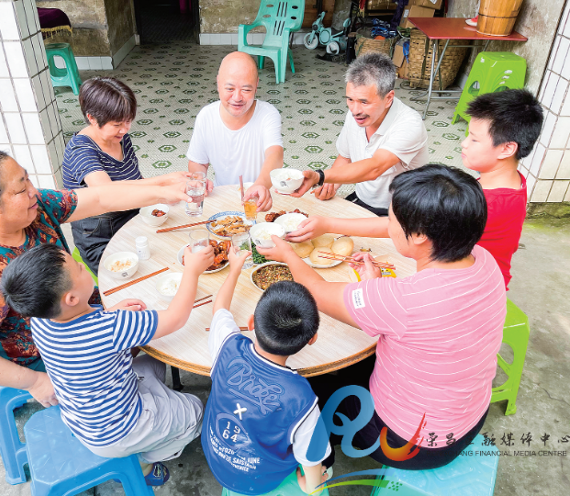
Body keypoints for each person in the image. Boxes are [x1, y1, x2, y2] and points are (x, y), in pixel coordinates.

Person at [259, 165, 506, 470]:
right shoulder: (484, 259)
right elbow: (411, 310)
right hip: (468, 419)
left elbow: (317, 292)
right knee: (358, 360)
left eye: (391, 220)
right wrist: (369, 283)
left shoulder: (402, 298)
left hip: (406, 443)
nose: (387, 225)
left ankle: (318, 465)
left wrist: (288, 256)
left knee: (308, 388)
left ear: (418, 235)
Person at [0, 148, 191, 408]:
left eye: (27, 179)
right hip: (55, 354)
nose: (33, 192)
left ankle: (139, 377)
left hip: (80, 314)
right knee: (169, 323)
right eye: (20, 190)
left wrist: (162, 186)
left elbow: (101, 198)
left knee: (154, 303)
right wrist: (34, 381)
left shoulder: (33, 209)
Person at [0, 243, 213, 486]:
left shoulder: (41, 320)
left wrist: (111, 314)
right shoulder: (109, 328)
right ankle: (145, 459)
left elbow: (90, 334)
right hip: (122, 431)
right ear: (71, 298)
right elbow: (176, 318)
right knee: (196, 410)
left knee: (154, 362)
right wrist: (192, 271)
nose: (82, 267)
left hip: (85, 417)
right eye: (79, 268)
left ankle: (155, 420)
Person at [288, 89, 543, 290]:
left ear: (507, 148)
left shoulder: (488, 203)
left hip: (464, 288)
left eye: (475, 139)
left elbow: (397, 226)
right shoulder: (510, 181)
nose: (464, 143)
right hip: (479, 275)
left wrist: (328, 224)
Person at [202, 249, 331, 495]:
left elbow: (219, 308)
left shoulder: (227, 346)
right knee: (324, 476)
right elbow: (311, 459)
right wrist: (311, 484)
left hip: (217, 461)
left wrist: (235, 268)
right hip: (263, 480)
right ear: (312, 339)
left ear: (251, 323)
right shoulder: (301, 398)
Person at [62, 77, 189, 275]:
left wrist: (167, 180)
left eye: (129, 121)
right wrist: (162, 190)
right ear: (92, 118)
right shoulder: (81, 150)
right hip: (101, 238)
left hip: (133, 221)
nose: (126, 129)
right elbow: (109, 196)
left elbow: (132, 184)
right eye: (117, 124)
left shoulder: (121, 138)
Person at [289, 53, 428, 216]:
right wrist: (329, 184)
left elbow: (375, 168)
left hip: (402, 213)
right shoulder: (356, 114)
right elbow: (346, 157)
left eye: (364, 102)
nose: (355, 110)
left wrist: (320, 176)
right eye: (350, 100)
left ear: (388, 98)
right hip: (363, 201)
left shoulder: (409, 124)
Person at [187, 51, 283, 212]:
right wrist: (199, 179)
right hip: (221, 199)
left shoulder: (268, 114)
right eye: (230, 88)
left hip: (258, 201)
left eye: (246, 89)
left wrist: (260, 185)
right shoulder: (206, 116)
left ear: (256, 85)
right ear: (218, 83)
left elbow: (275, 155)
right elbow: (198, 161)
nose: (237, 97)